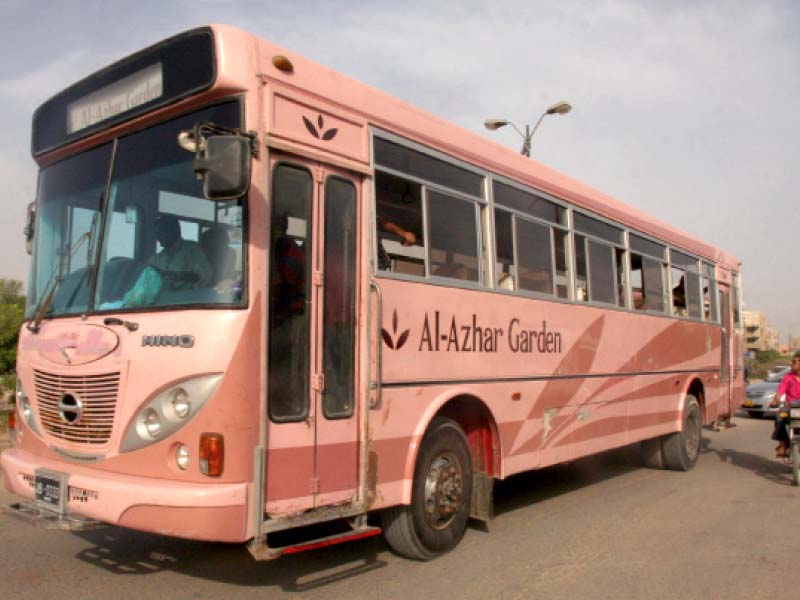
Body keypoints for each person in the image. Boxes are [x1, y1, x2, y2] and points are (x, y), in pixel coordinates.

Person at [123, 214, 212, 307]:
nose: (158, 237)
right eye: (157, 234)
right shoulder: (155, 259)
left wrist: (180, 276)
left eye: (161, 233)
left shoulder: (192, 250)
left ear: (174, 231)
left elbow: (204, 276)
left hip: (186, 303)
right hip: (159, 304)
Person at [769, 351, 800, 457]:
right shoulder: (788, 377)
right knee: (779, 417)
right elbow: (779, 393)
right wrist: (775, 401)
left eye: (797, 361)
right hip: (790, 408)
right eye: (793, 361)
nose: (794, 363)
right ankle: (783, 444)